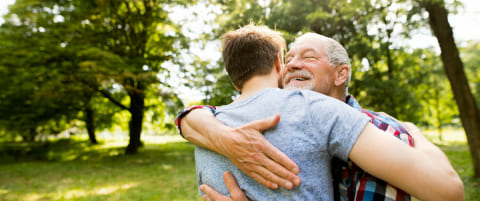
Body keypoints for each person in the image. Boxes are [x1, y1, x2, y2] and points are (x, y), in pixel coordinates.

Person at [182, 24, 463, 201]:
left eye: (308, 57)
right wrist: (213, 131)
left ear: (341, 73)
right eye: (289, 58)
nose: (292, 65)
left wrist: (414, 131)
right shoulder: (211, 125)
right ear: (279, 66)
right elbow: (192, 116)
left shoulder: (386, 131)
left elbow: (449, 192)